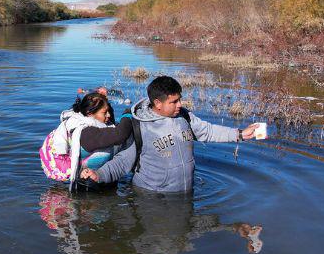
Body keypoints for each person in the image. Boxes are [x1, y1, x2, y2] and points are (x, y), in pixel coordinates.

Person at [81, 75, 261, 192]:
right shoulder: (138, 126)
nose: (180, 104)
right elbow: (122, 162)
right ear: (158, 103)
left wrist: (240, 134)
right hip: (152, 199)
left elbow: (207, 131)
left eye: (179, 99)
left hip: (186, 193)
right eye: (174, 101)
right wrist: (100, 175)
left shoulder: (184, 116)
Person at [40, 91, 134, 188]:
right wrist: (127, 114)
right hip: (90, 189)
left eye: (108, 111)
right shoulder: (87, 134)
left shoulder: (86, 122)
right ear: (89, 114)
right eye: (104, 112)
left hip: (90, 182)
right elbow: (120, 134)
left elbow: (113, 127)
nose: (108, 115)